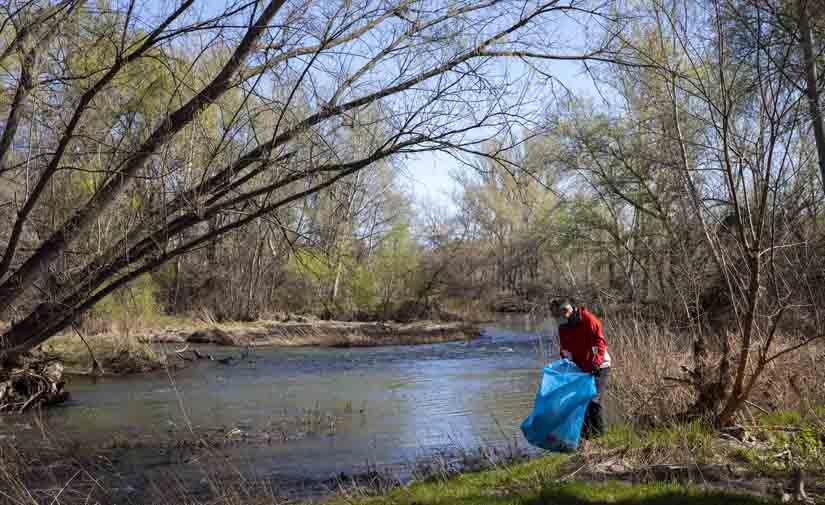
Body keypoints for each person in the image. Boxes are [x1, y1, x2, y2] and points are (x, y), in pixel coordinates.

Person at [556, 301, 611, 439]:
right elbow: (565, 348)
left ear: (573, 307)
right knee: (581, 402)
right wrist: (566, 363)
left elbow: (599, 342)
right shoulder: (563, 327)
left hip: (600, 365)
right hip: (581, 368)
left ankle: (601, 439)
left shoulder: (589, 319)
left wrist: (596, 362)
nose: (564, 313)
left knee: (594, 401)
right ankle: (585, 440)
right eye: (560, 311)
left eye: (565, 309)